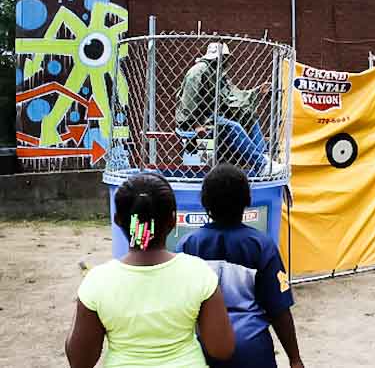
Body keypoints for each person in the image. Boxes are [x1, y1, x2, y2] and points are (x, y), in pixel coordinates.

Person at [65, 172, 235, 368]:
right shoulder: (198, 272)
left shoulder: (97, 281)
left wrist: (84, 297)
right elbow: (222, 349)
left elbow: (79, 361)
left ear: (118, 220)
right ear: (172, 221)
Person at [177, 164, 304, 368]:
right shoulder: (261, 246)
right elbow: (279, 310)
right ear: (247, 201)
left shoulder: (188, 245)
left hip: (202, 350)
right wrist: (295, 359)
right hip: (252, 351)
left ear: (204, 201)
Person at [177, 42, 283, 176]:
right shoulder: (198, 71)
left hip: (213, 117)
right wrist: (196, 124)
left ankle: (265, 159)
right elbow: (188, 101)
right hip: (196, 121)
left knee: (250, 116)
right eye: (224, 58)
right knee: (234, 127)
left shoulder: (217, 73)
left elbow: (233, 97)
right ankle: (261, 165)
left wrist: (257, 91)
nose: (226, 62)